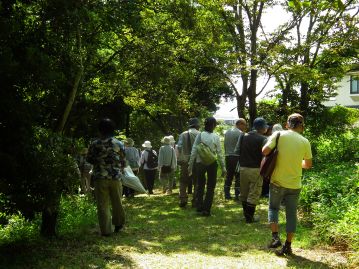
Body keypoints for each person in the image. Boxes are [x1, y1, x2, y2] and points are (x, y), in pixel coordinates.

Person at [263, 113, 312, 256]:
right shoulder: (305, 141)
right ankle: (288, 246)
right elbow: (308, 164)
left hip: (277, 181)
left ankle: (275, 237)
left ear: (287, 124)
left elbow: (265, 151)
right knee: (291, 214)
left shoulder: (278, 135)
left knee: (273, 208)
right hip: (294, 184)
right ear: (302, 126)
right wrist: (297, 163)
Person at [87, 118, 126, 236]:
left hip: (100, 177)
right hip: (115, 177)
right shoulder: (118, 143)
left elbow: (89, 159)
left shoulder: (94, 144)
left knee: (102, 204)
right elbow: (124, 161)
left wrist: (99, 161)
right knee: (117, 201)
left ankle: (106, 230)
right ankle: (118, 224)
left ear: (100, 130)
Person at [188, 117, 226, 216]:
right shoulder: (216, 137)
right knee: (210, 186)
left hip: (200, 163)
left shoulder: (200, 135)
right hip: (212, 163)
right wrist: (223, 167)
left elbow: (194, 151)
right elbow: (219, 153)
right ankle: (206, 209)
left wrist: (190, 165)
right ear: (213, 125)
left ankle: (199, 207)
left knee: (200, 185)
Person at [234, 117, 268, 223]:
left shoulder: (243, 135)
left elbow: (236, 150)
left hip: (243, 168)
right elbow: (265, 155)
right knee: (254, 192)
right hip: (256, 169)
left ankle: (246, 215)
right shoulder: (263, 139)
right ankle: (250, 217)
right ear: (262, 128)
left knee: (244, 192)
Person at [177, 118, 201, 208]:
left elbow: (179, 147)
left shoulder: (183, 134)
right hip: (197, 160)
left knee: (183, 180)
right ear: (197, 125)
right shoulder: (200, 134)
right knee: (197, 181)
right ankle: (195, 200)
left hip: (185, 161)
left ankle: (183, 199)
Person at [223, 118, 247, 200]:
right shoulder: (241, 133)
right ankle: (237, 194)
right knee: (238, 175)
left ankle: (226, 194)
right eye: (244, 124)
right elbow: (242, 146)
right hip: (236, 157)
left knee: (229, 175)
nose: (245, 126)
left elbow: (225, 144)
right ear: (239, 124)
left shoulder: (227, 131)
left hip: (228, 156)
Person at [262, 123, 284, 197]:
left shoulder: (269, 138)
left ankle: (266, 192)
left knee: (268, 175)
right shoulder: (285, 138)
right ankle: (279, 193)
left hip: (270, 159)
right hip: (281, 160)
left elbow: (265, 151)